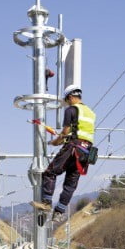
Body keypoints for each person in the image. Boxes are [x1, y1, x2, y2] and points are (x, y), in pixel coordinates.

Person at [32, 84, 96, 222]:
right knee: (70, 184)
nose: (67, 103)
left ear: (70, 97)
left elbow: (66, 132)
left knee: (50, 172)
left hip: (72, 148)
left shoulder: (71, 110)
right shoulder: (91, 112)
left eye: (67, 100)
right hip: (85, 152)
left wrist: (55, 142)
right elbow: (81, 131)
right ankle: (59, 211)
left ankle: (46, 203)